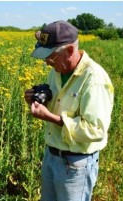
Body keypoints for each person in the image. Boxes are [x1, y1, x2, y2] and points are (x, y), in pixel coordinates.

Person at [24, 20, 114, 201]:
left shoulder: (94, 79)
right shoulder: (58, 71)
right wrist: (37, 101)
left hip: (75, 165)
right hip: (52, 155)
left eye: (51, 57)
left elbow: (96, 130)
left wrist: (50, 118)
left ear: (70, 51)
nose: (47, 62)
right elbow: (56, 104)